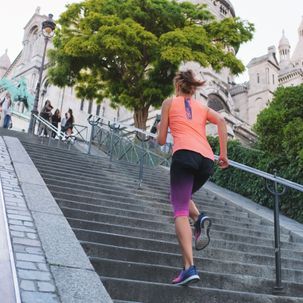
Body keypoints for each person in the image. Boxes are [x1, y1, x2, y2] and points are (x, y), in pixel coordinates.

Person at [157, 69, 229, 286]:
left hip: (184, 155)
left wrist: (164, 127)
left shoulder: (169, 103)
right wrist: (223, 155)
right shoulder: (202, 107)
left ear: (177, 86)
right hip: (206, 161)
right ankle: (199, 218)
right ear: (193, 89)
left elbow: (161, 141)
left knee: (179, 210)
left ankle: (189, 268)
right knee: (178, 195)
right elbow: (222, 123)